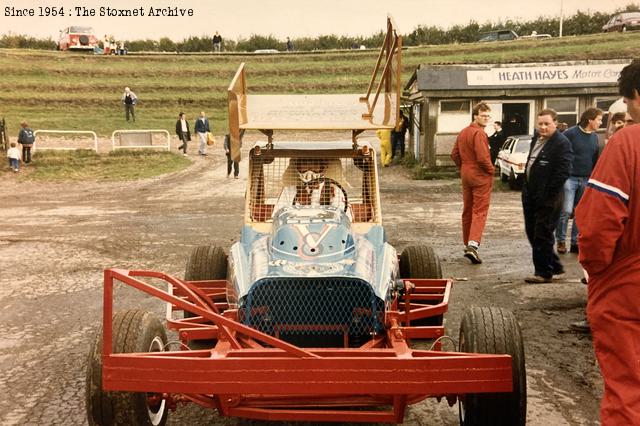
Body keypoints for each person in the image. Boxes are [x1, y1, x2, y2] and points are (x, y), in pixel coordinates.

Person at [574, 59, 640, 426]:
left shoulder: (628, 142)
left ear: (636, 95)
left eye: (628, 104)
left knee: (629, 392)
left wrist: (596, 269)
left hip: (628, 282)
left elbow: (599, 224)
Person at [522, 108, 573, 283]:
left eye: (547, 124)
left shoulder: (562, 143)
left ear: (555, 124)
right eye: (540, 124)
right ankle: (555, 266)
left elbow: (563, 172)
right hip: (530, 192)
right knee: (531, 231)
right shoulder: (537, 138)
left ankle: (543, 273)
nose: (543, 127)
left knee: (542, 233)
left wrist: (548, 194)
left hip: (548, 197)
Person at [450, 102, 494, 264]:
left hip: (466, 173)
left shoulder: (463, 132)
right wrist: (491, 170)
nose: (486, 119)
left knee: (467, 209)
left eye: (488, 116)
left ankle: (467, 242)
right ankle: (473, 245)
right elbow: (483, 158)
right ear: (475, 116)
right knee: (480, 211)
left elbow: (454, 154)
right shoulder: (479, 133)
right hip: (480, 175)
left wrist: (464, 167)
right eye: (483, 115)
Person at [555, 108, 602, 255]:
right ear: (590, 120)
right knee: (566, 210)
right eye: (599, 119)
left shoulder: (594, 138)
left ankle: (575, 242)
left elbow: (594, 159)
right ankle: (561, 241)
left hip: (586, 179)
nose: (601, 123)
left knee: (580, 213)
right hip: (569, 178)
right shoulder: (571, 133)